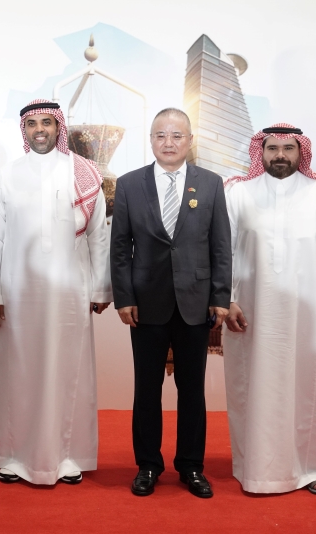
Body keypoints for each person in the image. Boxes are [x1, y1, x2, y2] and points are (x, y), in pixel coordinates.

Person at [0, 99, 111, 486]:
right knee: (18, 371)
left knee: (68, 370)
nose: (40, 129)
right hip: (18, 292)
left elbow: (98, 235)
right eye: (33, 124)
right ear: (24, 130)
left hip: (70, 292)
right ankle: (13, 455)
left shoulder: (82, 173)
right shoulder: (8, 175)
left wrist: (101, 286)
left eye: (47, 123)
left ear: (59, 127)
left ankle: (69, 455)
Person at [222, 124, 316, 495]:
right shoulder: (239, 193)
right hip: (250, 311)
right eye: (273, 148)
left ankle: (314, 467)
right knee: (254, 386)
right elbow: (223, 249)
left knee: (312, 387)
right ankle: (255, 467)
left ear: (301, 152)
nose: (280, 154)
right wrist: (228, 298)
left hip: (311, 311)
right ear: (260, 152)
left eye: (288, 148)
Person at [111, 108, 231, 498]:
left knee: (192, 390)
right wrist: (124, 297)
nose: (169, 142)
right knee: (146, 389)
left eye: (177, 135)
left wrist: (220, 297)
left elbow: (221, 246)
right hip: (145, 304)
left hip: (196, 303)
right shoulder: (129, 184)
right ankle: (148, 465)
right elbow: (120, 249)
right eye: (161, 135)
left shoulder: (211, 184)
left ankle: (191, 466)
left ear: (189, 141)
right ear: (151, 140)